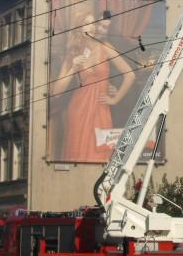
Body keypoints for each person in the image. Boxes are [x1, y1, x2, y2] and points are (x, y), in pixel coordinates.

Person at [51, 9, 135, 162]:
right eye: (86, 24)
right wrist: (72, 69)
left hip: (100, 109)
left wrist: (115, 99)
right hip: (78, 111)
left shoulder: (106, 47)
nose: (91, 27)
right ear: (78, 29)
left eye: (92, 23)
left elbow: (130, 74)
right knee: (78, 156)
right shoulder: (73, 53)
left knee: (100, 157)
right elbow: (56, 91)